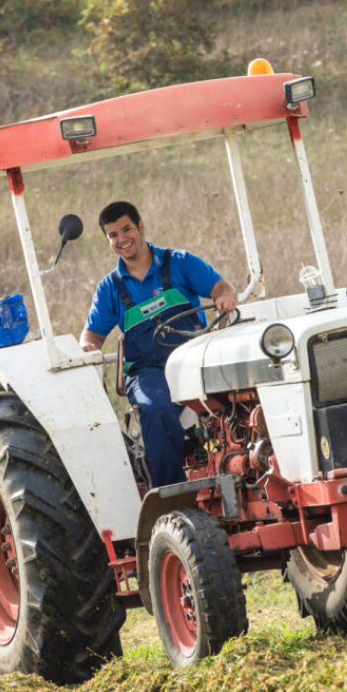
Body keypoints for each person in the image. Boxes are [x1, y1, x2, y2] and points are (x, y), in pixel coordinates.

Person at [80, 201, 237, 487]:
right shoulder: (109, 288)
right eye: (113, 235)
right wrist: (89, 347)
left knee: (235, 400)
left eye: (127, 229)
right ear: (108, 240)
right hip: (147, 371)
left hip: (192, 358)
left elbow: (221, 288)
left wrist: (224, 299)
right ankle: (171, 492)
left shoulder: (179, 262)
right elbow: (91, 336)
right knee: (155, 408)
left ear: (141, 227)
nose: (122, 239)